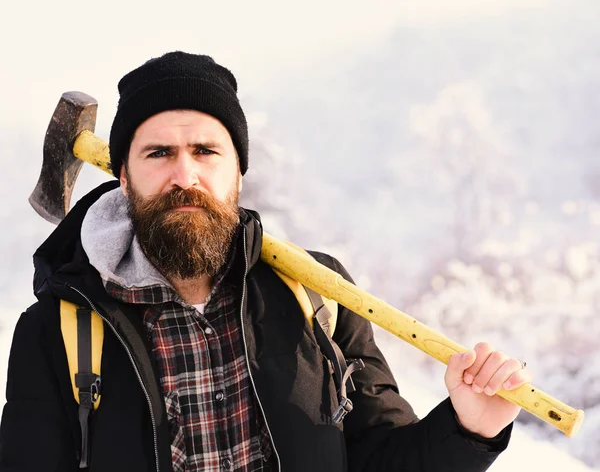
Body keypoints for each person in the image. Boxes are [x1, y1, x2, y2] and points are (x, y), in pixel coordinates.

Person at [0, 51, 531, 472]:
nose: (185, 176)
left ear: (238, 173)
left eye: (206, 151)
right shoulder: (58, 332)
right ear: (123, 177)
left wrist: (469, 429)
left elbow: (381, 459)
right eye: (158, 153)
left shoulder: (317, 296)